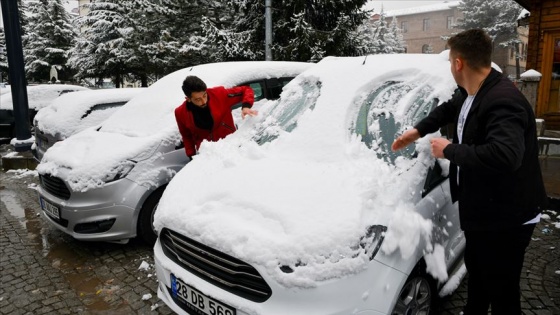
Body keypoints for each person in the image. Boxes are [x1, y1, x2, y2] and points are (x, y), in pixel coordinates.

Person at [391, 29, 547, 315]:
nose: (451, 66)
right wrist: (416, 131)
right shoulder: (473, 91)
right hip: (484, 211)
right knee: (478, 270)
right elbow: (448, 110)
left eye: (451, 60)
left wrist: (449, 150)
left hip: (508, 217)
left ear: (458, 63)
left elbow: (506, 155)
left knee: (502, 288)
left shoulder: (503, 100)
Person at [175, 75, 258, 158]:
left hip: (231, 146)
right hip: (207, 154)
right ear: (188, 99)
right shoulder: (180, 113)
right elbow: (186, 136)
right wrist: (191, 155)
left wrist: (246, 106)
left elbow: (246, 90)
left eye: (204, 95)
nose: (204, 101)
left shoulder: (219, 94)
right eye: (198, 99)